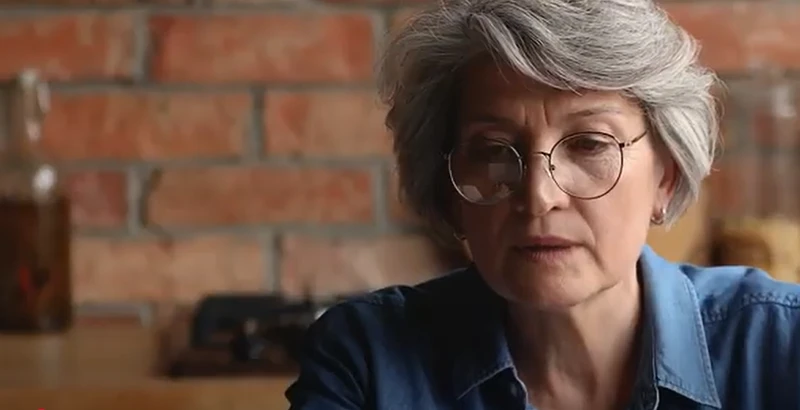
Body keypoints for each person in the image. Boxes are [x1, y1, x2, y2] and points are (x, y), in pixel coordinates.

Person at [285, 0, 800, 409]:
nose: (538, 196)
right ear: (449, 188)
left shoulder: (779, 346)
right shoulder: (369, 362)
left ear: (665, 176)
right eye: (493, 151)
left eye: (590, 145)